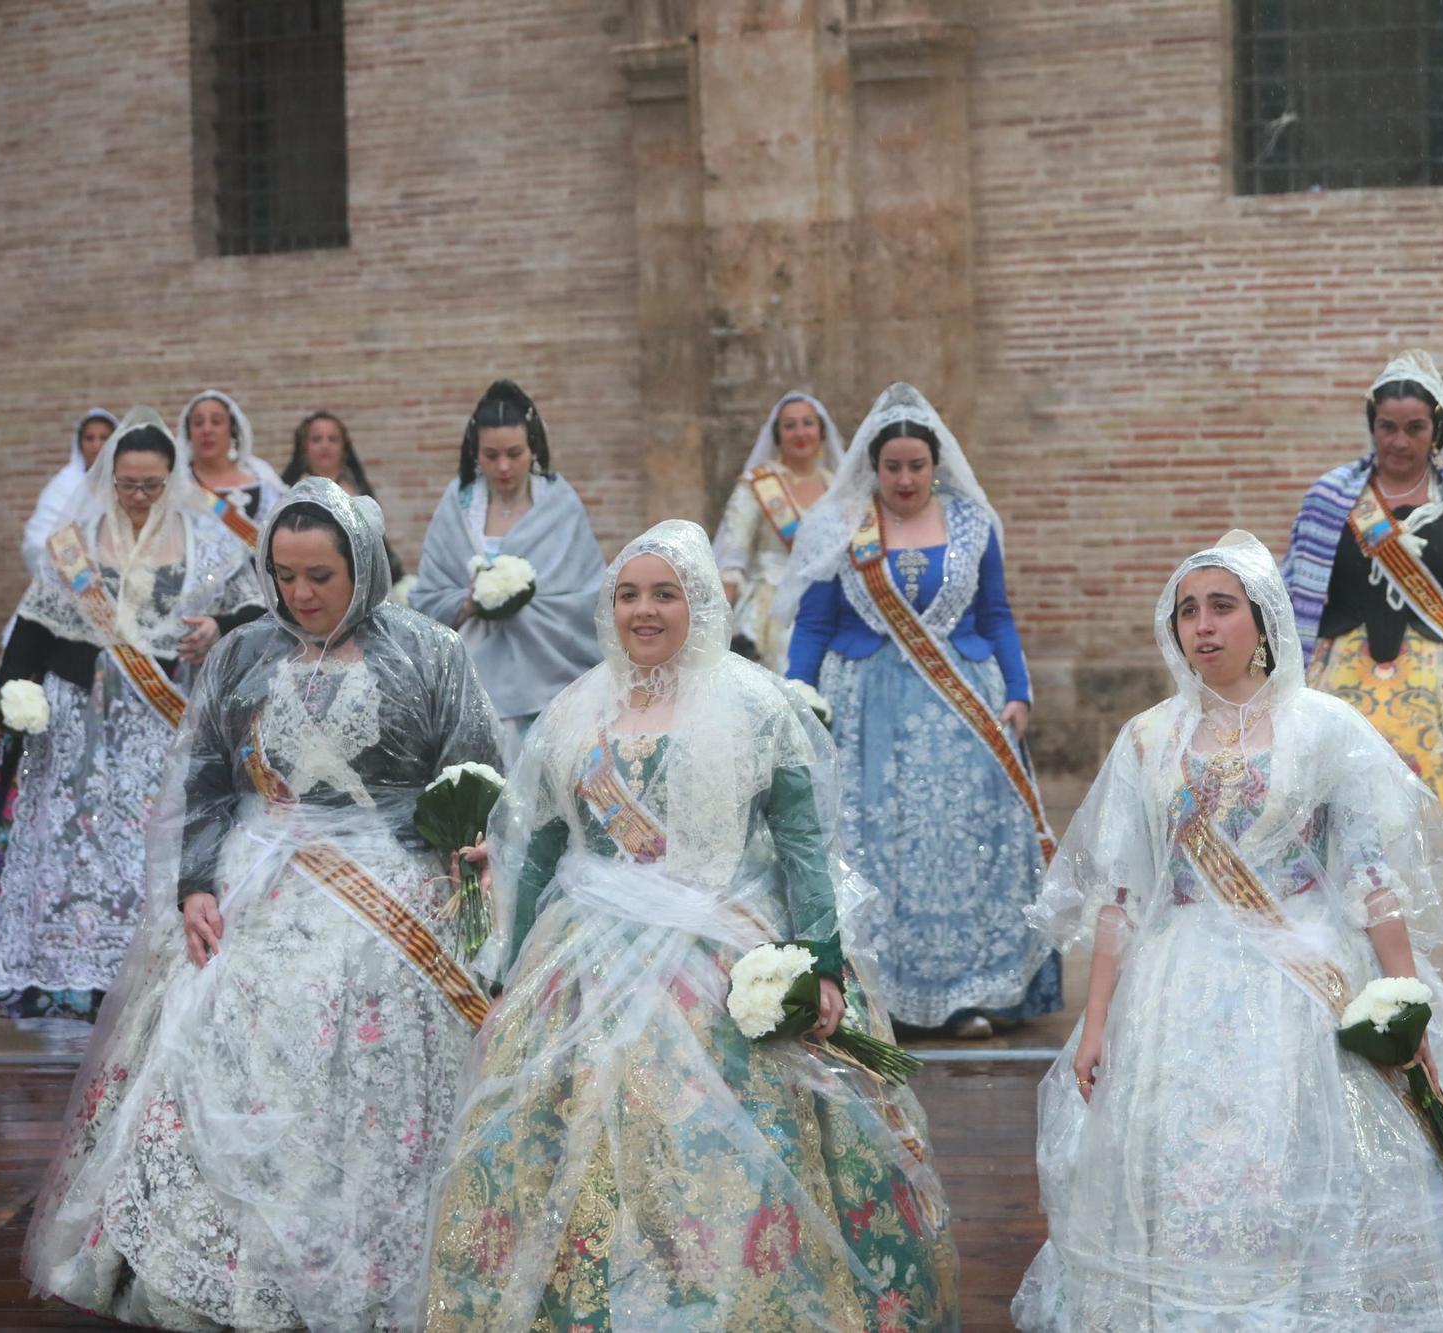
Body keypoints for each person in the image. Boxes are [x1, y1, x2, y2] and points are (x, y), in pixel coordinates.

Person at [1013, 531, 1443, 1331]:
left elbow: (1372, 880)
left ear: (1263, 619)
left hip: (1306, 976)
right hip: (1178, 982)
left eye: (1222, 607)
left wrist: (1403, 1001)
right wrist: (1095, 1022)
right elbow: (1123, 893)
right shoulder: (1148, 738)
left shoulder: (1323, 728)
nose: (1203, 626)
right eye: (1187, 611)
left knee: (1303, 1155)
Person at [423, 519, 959, 1331]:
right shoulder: (573, 710)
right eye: (629, 594)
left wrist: (822, 963)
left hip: (720, 953)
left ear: (698, 602)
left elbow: (803, 848)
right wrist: (508, 969)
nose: (645, 610)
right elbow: (539, 853)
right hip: (585, 955)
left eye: (664, 593)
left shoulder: (755, 702)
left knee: (725, 1148)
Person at [23, 478, 504, 1330]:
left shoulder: (430, 652)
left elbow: (472, 775)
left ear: (363, 567)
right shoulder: (244, 654)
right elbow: (207, 779)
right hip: (258, 878)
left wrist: (467, 857)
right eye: (283, 575)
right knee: (211, 1042)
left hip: (393, 890)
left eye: (320, 574)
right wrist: (196, 884)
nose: (300, 594)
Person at [0, 408, 265, 1021]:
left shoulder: (208, 540)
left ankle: (155, 960)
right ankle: (74, 968)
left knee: (150, 838)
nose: (137, 497)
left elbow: (255, 611)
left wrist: (217, 626)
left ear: (172, 479)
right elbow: (35, 623)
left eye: (151, 485)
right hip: (80, 718)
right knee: (78, 842)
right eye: (127, 484)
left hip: (165, 715)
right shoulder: (76, 544)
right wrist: (8, 691)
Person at [783, 382, 1059, 1037]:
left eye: (917, 466)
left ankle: (971, 994)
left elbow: (995, 613)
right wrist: (795, 696)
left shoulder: (973, 524)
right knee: (876, 849)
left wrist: (1018, 689)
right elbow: (813, 624)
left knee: (963, 846)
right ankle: (880, 998)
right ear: (871, 468)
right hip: (865, 712)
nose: (905, 479)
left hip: (962, 707)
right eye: (892, 467)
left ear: (937, 466)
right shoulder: (843, 526)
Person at [1285, 349, 1443, 1036]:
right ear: (1371, 425)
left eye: (1414, 429)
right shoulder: (1330, 499)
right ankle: (1345, 985)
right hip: (1342, 695)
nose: (1399, 442)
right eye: (1387, 427)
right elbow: (1295, 598)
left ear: (1437, 431)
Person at [410, 380, 604, 757]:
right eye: (490, 454)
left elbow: (587, 596)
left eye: (514, 453)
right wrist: (469, 602)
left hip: (550, 678)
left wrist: (526, 602)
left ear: (533, 447)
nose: (503, 466)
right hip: (471, 679)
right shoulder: (457, 504)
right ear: (474, 453)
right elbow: (427, 596)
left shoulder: (560, 503)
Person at [712, 389, 846, 671]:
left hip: (829, 602)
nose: (800, 433)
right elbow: (734, 553)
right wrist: (716, 622)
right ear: (777, 435)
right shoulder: (758, 485)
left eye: (808, 423)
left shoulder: (837, 488)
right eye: (789, 425)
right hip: (770, 609)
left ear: (821, 432)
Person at [286, 409, 403, 577]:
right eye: (316, 439)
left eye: (333, 439)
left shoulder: (358, 492)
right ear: (304, 448)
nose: (325, 445)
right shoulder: (292, 493)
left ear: (344, 448)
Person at [178, 388, 285, 547]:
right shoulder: (180, 486)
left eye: (216, 421)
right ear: (189, 432)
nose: (206, 430)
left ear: (232, 430)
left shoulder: (262, 477)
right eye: (198, 423)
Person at [20, 408, 117, 581]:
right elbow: (38, 540)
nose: (97, 445)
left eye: (104, 438)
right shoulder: (63, 486)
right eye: (89, 438)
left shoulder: (129, 483)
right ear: (80, 444)